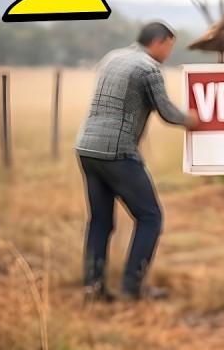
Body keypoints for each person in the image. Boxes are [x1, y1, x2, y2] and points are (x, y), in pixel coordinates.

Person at [75, 21, 199, 302]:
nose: (169, 53)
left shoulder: (113, 57)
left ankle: (92, 289)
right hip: (118, 152)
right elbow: (168, 113)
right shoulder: (148, 68)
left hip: (87, 149)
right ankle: (132, 289)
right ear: (161, 41)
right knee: (150, 217)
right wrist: (194, 120)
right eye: (170, 46)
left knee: (100, 222)